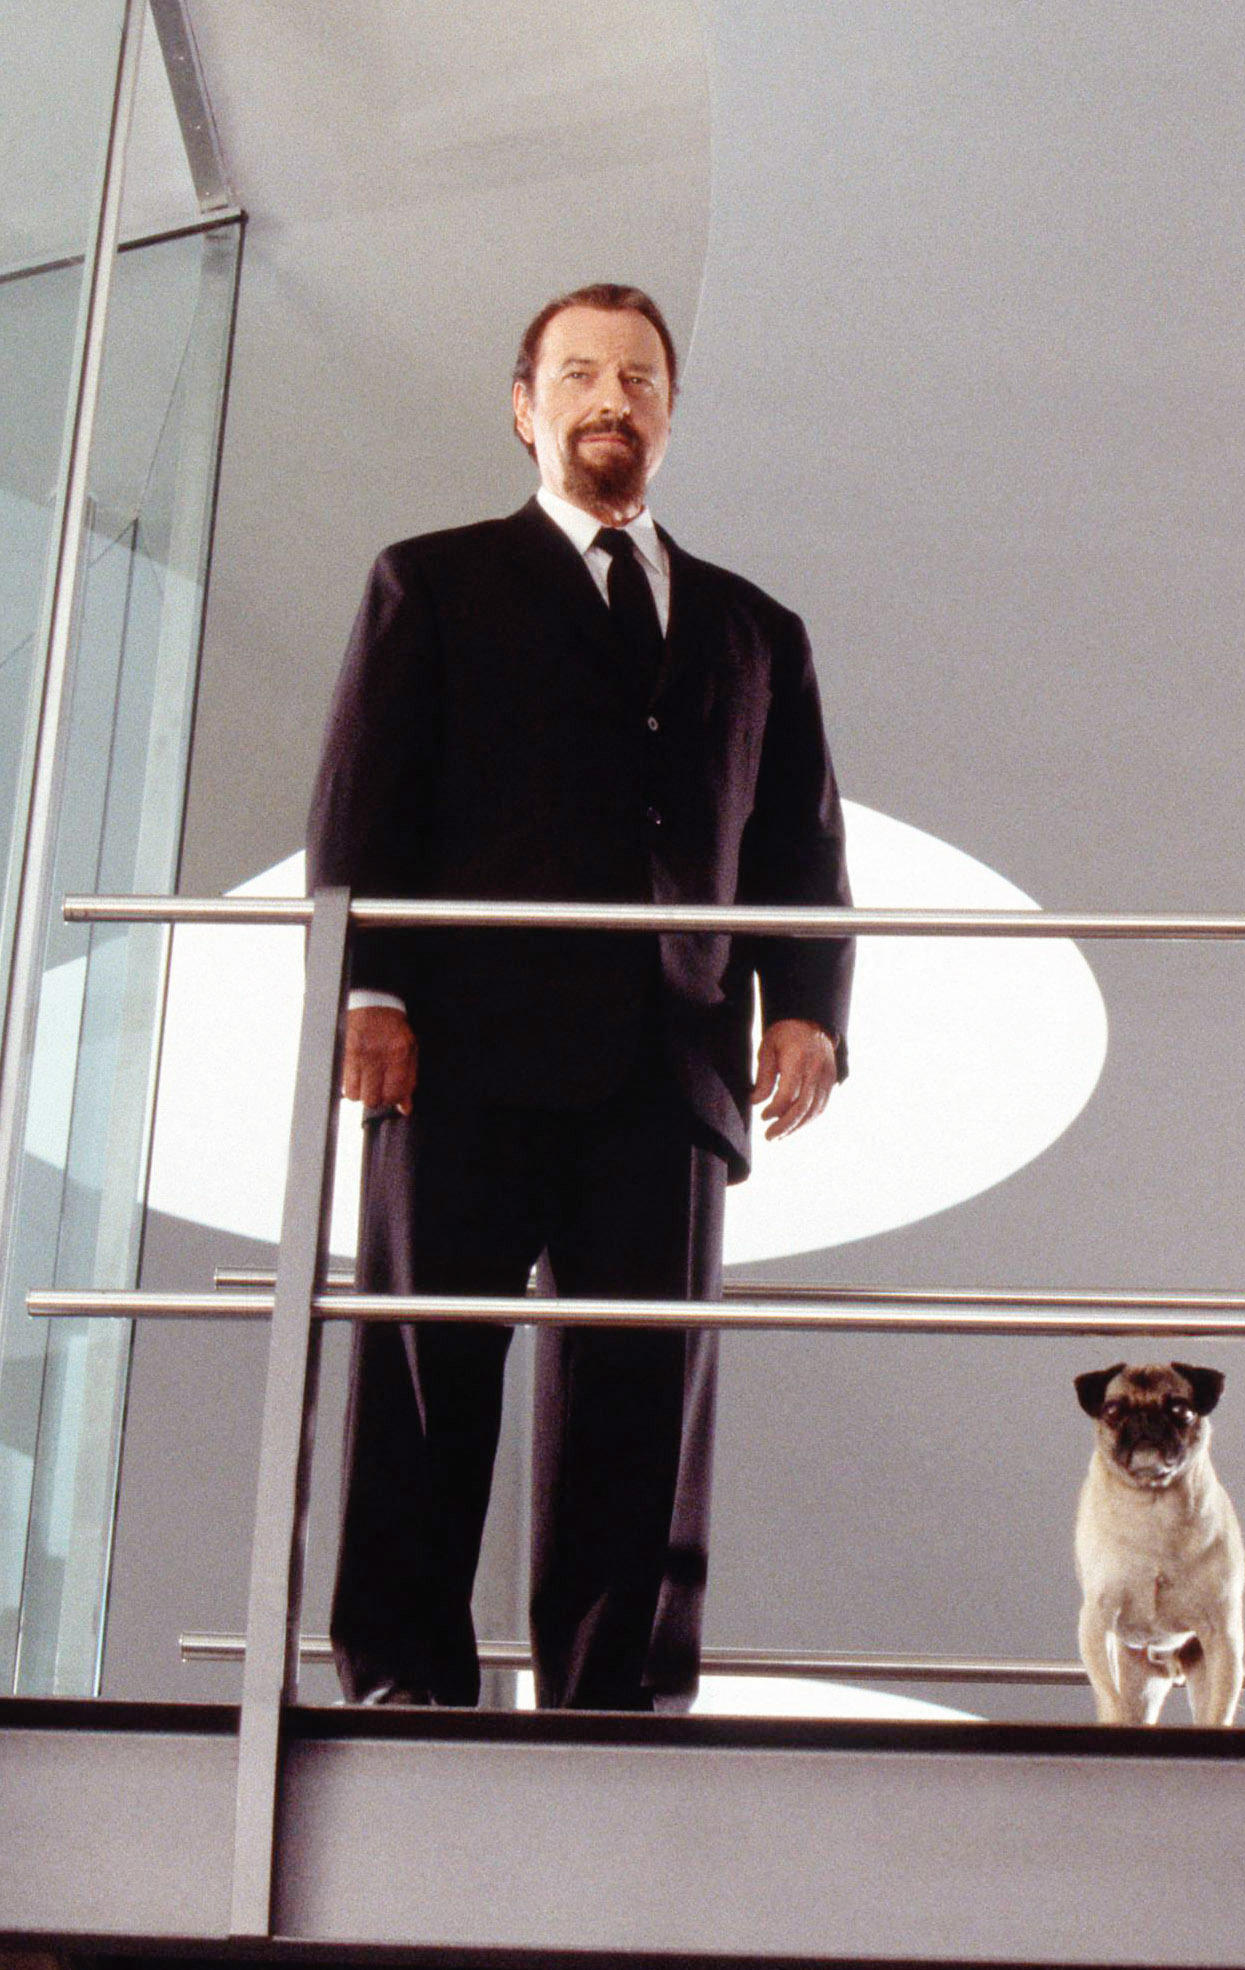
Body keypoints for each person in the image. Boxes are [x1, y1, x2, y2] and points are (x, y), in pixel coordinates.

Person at [310, 283, 853, 1710]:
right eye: (580, 374)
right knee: (427, 1377)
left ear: (669, 413)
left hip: (667, 1072)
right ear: (523, 405)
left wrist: (804, 1005)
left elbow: (799, 836)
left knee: (640, 1407)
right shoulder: (428, 581)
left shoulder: (755, 628)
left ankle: (618, 1695)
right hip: (460, 1057)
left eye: (640, 378)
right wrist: (368, 989)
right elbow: (364, 805)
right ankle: (402, 1679)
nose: (611, 398)